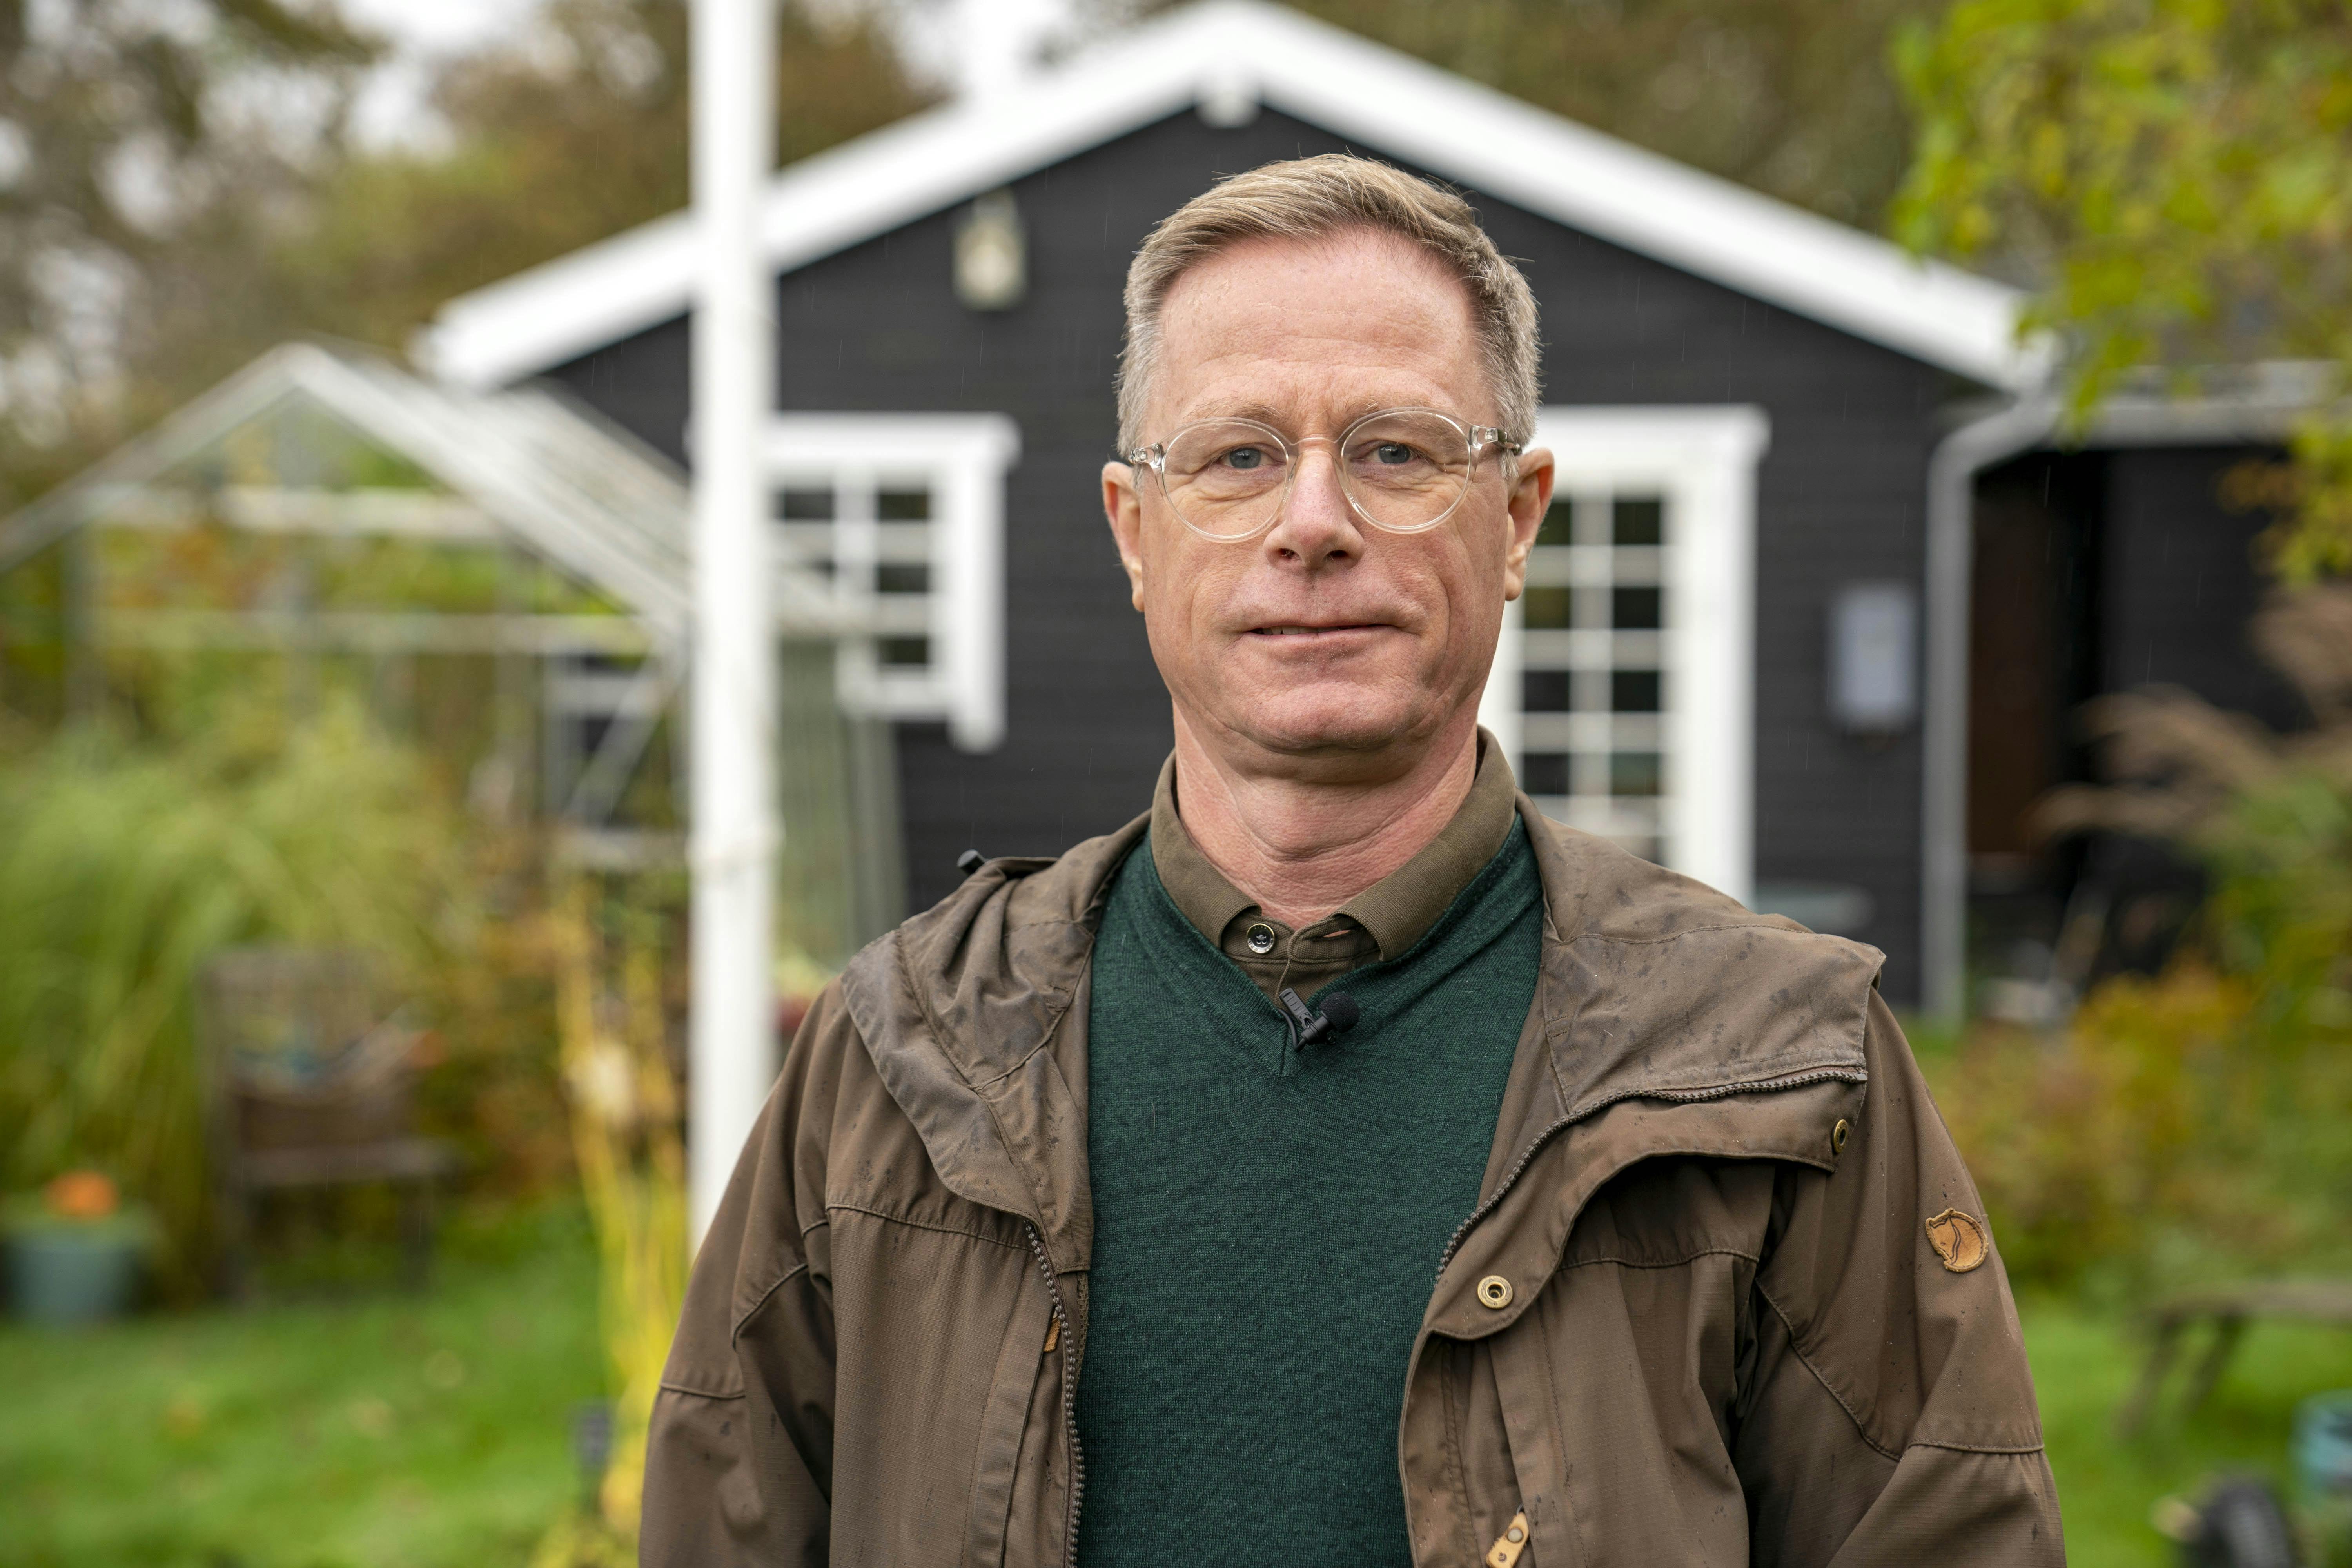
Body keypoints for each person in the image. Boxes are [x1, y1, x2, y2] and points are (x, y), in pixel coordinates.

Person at [640, 155, 2063, 1567]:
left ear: (1516, 519)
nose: (1311, 524)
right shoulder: (902, 1053)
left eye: (1394, 450)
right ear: (1136, 533)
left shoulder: (1774, 1065)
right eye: (1238, 456)